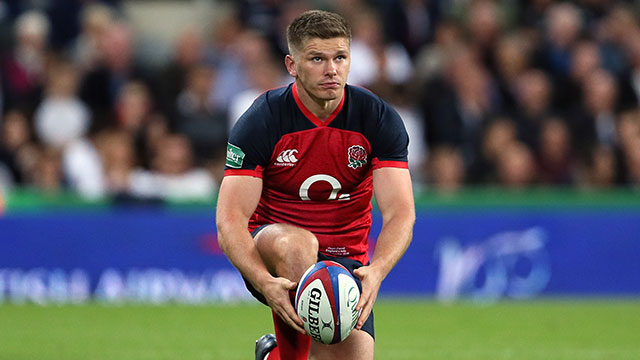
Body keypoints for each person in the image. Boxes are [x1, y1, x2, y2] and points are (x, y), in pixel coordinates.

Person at [216, 10, 415, 360]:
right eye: (317, 59)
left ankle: (273, 354)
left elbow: (400, 212)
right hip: (273, 253)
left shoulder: (376, 118)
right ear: (292, 65)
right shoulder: (263, 120)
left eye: (340, 57)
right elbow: (230, 219)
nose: (331, 69)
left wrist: (377, 270)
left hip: (345, 262)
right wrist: (263, 280)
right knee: (298, 245)